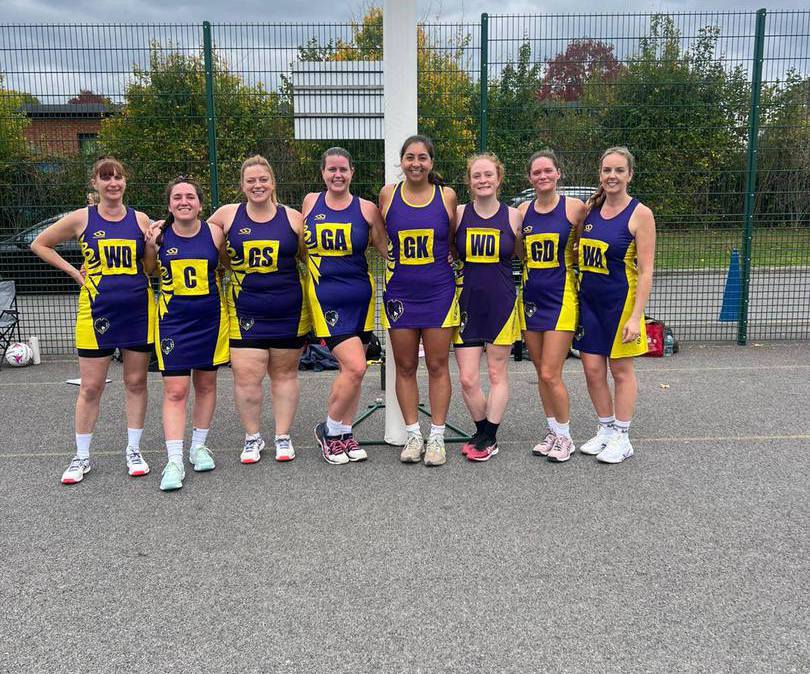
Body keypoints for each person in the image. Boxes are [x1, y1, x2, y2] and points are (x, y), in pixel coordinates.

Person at [31, 156, 156, 484]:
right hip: (96, 312)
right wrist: (75, 273)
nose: (113, 183)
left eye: (118, 177)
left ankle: (134, 450)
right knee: (90, 387)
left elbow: (150, 267)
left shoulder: (140, 219)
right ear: (95, 183)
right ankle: (81, 456)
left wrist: (153, 245)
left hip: (138, 311)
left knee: (136, 382)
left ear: (125, 181)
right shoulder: (81, 218)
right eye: (106, 177)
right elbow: (40, 244)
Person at [207, 155, 311, 464]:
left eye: (263, 179)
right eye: (250, 180)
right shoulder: (227, 216)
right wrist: (161, 228)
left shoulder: (293, 218)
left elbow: (308, 257)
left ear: (273, 182)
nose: (257, 185)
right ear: (242, 185)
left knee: (284, 375)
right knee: (246, 377)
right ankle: (252, 437)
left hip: (289, 309)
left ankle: (282, 436)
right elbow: (197, 238)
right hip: (245, 310)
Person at [302, 147, 387, 465]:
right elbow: (299, 246)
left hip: (361, 298)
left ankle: (345, 433)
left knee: (351, 372)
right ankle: (328, 430)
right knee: (356, 366)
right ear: (322, 173)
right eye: (331, 169)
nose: (337, 175)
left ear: (353, 172)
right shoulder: (311, 202)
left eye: (343, 169)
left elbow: (386, 249)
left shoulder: (366, 209)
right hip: (326, 298)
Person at [379, 134, 460, 467]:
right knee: (405, 366)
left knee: (438, 365)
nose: (416, 163)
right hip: (400, 293)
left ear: (431, 162)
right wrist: (388, 255)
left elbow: (452, 238)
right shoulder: (388, 195)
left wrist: (451, 257)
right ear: (402, 161)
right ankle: (414, 435)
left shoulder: (446, 196)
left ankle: (437, 437)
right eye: (410, 157)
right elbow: (379, 234)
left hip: (439, 292)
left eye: (422, 157)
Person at [145, 176, 229, 491]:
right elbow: (148, 269)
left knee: (206, 385)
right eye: (177, 197)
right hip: (173, 322)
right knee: (176, 390)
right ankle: (174, 460)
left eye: (190, 197)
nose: (184, 202)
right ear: (169, 205)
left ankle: (198, 447)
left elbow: (226, 264)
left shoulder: (215, 233)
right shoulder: (158, 236)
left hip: (210, 319)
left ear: (200, 204)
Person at [574, 146, 656, 464]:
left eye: (619, 170)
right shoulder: (590, 210)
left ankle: (622, 436)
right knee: (592, 370)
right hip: (590, 303)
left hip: (620, 304)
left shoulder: (640, 214)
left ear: (629, 175)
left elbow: (646, 271)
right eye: (607, 170)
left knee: (620, 370)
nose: (612, 176)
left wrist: (636, 318)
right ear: (600, 174)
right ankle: (606, 429)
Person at [519, 150, 586, 463]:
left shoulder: (574, 208)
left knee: (550, 372)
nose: (543, 176)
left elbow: (584, 244)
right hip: (531, 299)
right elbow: (520, 252)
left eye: (548, 170)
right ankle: (553, 432)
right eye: (537, 172)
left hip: (561, 299)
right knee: (540, 371)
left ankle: (566, 437)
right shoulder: (522, 211)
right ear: (530, 178)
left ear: (558, 173)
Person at [453, 153, 522, 462]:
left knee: (496, 373)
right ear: (469, 181)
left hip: (501, 302)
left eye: (488, 175)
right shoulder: (458, 214)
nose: (483, 180)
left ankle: (489, 438)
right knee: (467, 378)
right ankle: (482, 430)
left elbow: (521, 252)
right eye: (477, 176)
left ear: (499, 178)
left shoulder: (514, 216)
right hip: (466, 302)